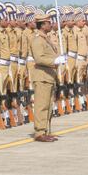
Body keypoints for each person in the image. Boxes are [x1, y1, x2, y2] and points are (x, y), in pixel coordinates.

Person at [30, 12, 65, 142]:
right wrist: (54, 61)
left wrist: (59, 58)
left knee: (49, 106)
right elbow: (39, 58)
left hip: (49, 76)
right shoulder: (37, 40)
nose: (51, 24)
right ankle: (39, 132)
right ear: (42, 25)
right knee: (41, 105)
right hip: (42, 76)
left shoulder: (47, 39)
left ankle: (46, 131)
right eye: (48, 23)